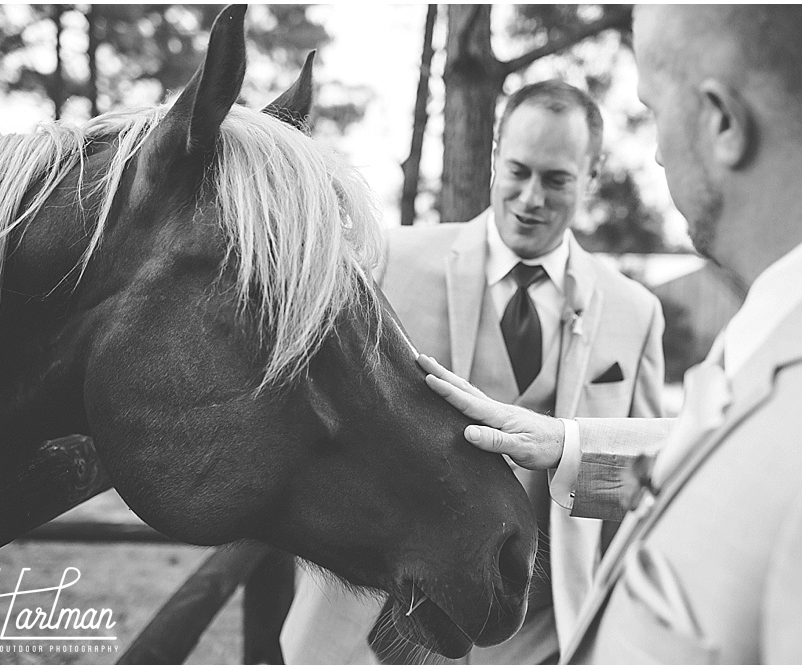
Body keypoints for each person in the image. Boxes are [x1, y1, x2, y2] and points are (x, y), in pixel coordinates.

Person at [421, 5, 802, 664]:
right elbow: (719, 449)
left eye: (655, 109)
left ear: (722, 121)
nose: (657, 151)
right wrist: (565, 443)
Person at [280, 81, 665, 664]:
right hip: (379, 628)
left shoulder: (635, 312)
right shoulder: (386, 261)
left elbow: (642, 484)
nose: (531, 197)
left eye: (557, 179)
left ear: (590, 176)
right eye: (518, 170)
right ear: (494, 159)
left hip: (541, 634)